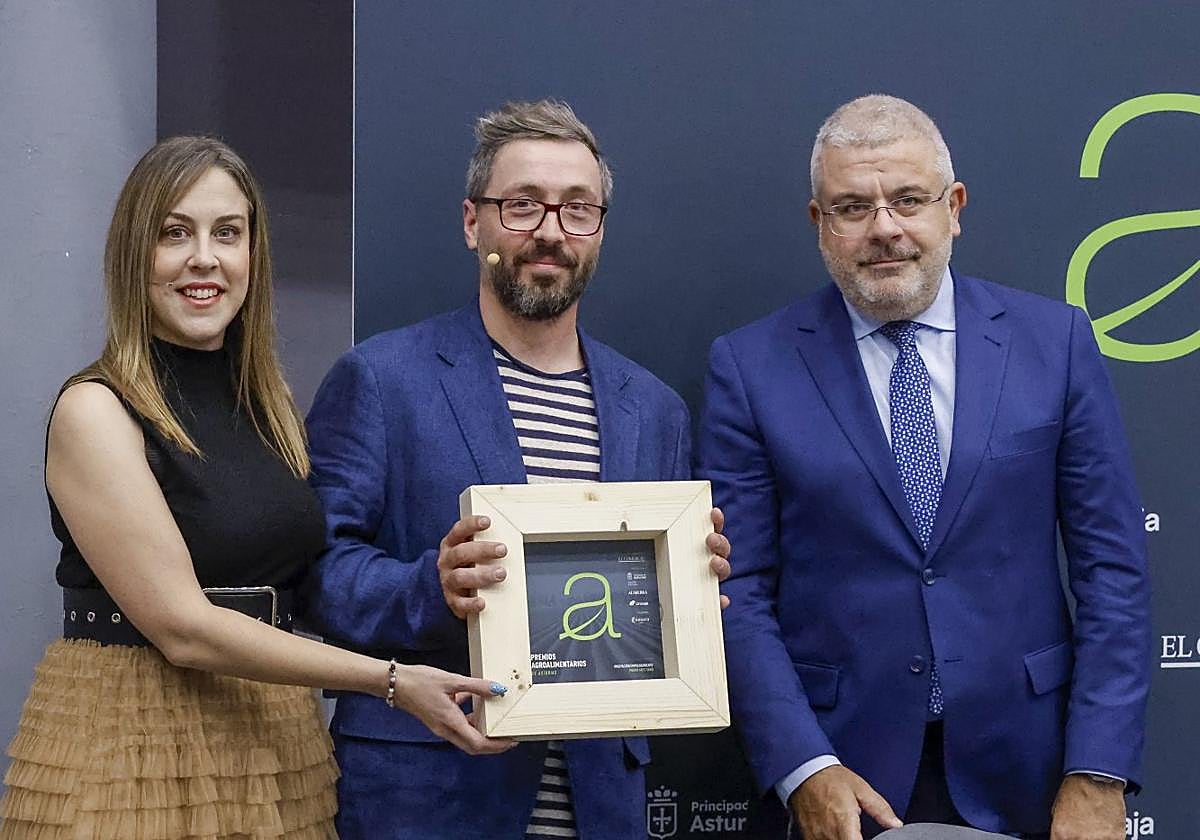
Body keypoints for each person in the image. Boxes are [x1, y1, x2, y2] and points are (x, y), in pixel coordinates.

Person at [0, 136, 510, 840]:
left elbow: (323, 572)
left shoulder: (269, 411)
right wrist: (393, 681)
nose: (204, 257)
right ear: (132, 255)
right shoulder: (97, 410)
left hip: (271, 739)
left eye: (227, 233)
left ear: (252, 256)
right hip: (134, 740)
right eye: (174, 233)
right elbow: (182, 627)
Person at [696, 95, 1150, 840]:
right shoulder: (750, 367)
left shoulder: (1055, 343)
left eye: (908, 199)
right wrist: (803, 765)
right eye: (852, 207)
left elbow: (1114, 571)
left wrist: (1097, 770)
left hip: (1034, 772)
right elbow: (735, 588)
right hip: (844, 777)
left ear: (954, 207)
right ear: (820, 224)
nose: (884, 229)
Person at [304, 99, 731, 839]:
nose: (549, 233)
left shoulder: (655, 410)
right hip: (428, 798)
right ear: (474, 223)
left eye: (577, 210)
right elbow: (317, 580)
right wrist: (431, 586)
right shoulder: (382, 378)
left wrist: (685, 600)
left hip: (600, 808)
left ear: (599, 231)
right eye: (523, 206)